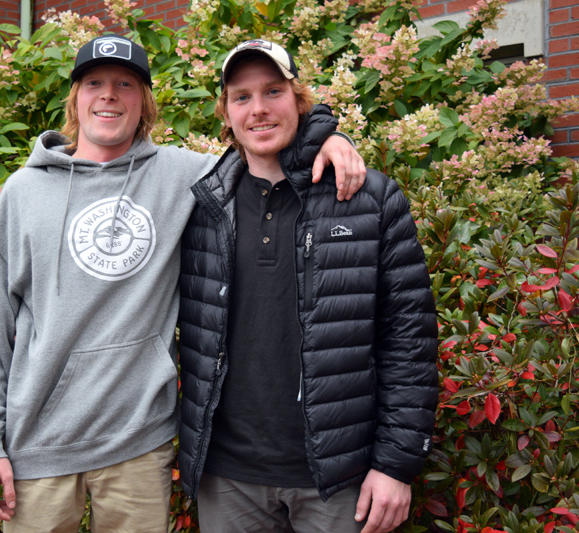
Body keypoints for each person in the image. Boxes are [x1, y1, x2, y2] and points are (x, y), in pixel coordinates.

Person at [0, 34, 365, 533]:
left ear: (144, 101)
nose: (108, 95)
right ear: (76, 97)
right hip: (37, 441)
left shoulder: (187, 175)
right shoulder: (24, 191)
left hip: (138, 442)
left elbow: (263, 137)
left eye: (125, 84)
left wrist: (328, 135)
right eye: (94, 83)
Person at [177, 39, 439, 533]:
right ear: (226, 113)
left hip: (339, 477)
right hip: (227, 477)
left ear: (299, 100)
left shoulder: (367, 198)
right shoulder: (198, 204)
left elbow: (410, 340)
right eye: (241, 96)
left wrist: (396, 464)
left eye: (273, 91)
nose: (258, 109)